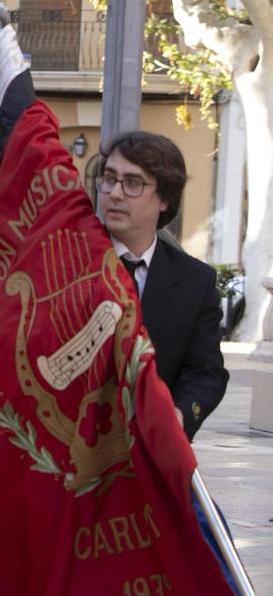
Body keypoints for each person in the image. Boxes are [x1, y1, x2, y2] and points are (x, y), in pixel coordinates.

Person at [95, 131, 228, 439]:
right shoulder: (68, 261)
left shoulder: (196, 282)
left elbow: (205, 371)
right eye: (110, 178)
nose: (115, 193)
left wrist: (178, 415)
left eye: (132, 184)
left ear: (165, 198)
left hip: (148, 451)